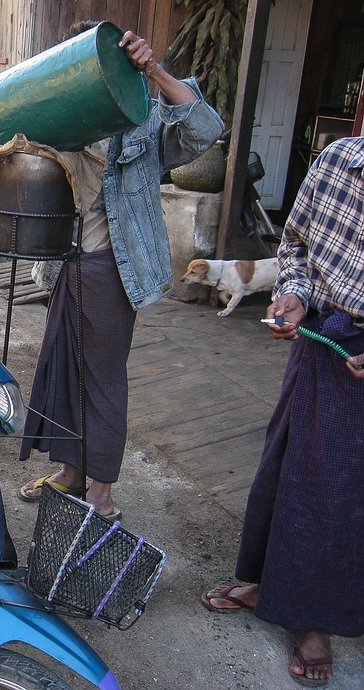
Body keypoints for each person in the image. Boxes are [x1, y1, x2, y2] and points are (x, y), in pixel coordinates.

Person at [17, 22, 224, 519]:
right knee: (65, 370)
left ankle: (102, 492)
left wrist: (152, 69)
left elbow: (206, 128)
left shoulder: (144, 120)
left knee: (104, 380)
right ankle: (70, 472)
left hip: (113, 271)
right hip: (64, 266)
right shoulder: (58, 118)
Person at [202, 136, 364, 688]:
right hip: (320, 334)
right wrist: (294, 294)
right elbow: (295, 243)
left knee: (336, 488)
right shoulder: (339, 159)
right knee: (284, 463)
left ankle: (315, 619)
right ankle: (267, 581)